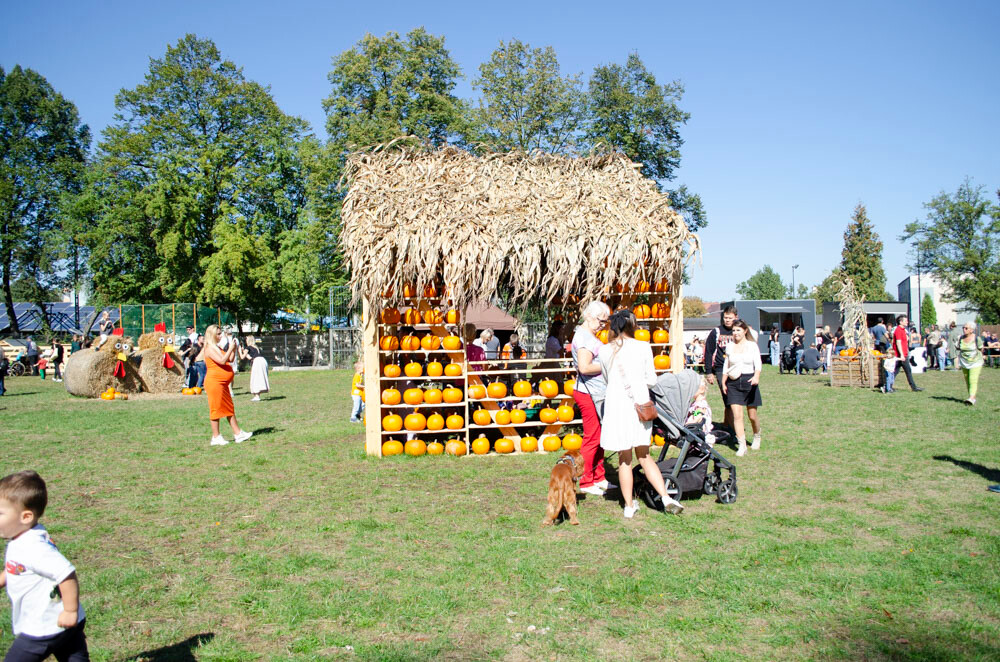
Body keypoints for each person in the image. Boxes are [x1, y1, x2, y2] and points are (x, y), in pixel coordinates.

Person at [598, 310, 683, 517]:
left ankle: (628, 506)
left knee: (624, 459)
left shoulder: (604, 350)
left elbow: (607, 379)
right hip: (639, 407)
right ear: (632, 326)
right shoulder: (644, 347)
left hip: (617, 407)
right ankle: (665, 497)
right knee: (644, 456)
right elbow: (651, 380)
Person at [0, 470, 90, 661]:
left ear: (25, 517)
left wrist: (69, 611)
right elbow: (17, 567)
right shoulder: (26, 536)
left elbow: (66, 574)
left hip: (46, 625)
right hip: (60, 621)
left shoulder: (33, 547)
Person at [570, 301, 611, 497]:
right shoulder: (584, 338)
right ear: (588, 316)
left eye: (605, 322)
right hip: (588, 393)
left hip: (597, 392)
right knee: (592, 437)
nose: (603, 325)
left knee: (601, 436)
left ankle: (599, 477)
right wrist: (607, 364)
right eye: (600, 321)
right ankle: (586, 480)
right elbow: (584, 367)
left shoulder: (590, 336)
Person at [202, 324, 252, 446]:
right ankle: (216, 437)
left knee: (229, 408)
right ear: (211, 335)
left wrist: (234, 348)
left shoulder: (217, 347)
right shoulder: (209, 348)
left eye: (221, 333)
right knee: (216, 409)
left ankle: (238, 433)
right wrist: (230, 347)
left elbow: (229, 359)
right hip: (214, 383)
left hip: (222, 384)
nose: (220, 336)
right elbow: (222, 361)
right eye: (218, 334)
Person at [721, 320, 762, 456]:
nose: (735, 333)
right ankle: (742, 444)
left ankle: (757, 435)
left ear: (745, 331)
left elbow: (758, 363)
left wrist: (756, 376)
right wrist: (723, 381)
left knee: (752, 415)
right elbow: (726, 364)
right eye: (733, 330)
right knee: (737, 416)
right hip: (733, 382)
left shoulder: (752, 346)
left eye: (738, 330)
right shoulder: (729, 346)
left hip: (749, 380)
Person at [704, 305, 738, 429]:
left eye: (730, 318)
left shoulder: (739, 331)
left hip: (736, 368)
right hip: (720, 368)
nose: (727, 320)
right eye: (725, 318)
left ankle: (728, 424)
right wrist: (708, 372)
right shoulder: (717, 332)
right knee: (728, 396)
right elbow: (708, 351)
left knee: (733, 399)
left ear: (736, 317)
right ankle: (732, 427)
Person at [891, 315, 923, 392]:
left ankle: (888, 385)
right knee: (907, 371)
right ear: (900, 322)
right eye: (905, 321)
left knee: (896, 371)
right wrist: (902, 354)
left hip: (903, 354)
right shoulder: (898, 330)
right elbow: (898, 343)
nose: (907, 322)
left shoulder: (903, 330)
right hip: (901, 355)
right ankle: (913, 387)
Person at [956, 322, 984, 405]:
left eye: (966, 328)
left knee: (973, 379)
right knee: (967, 379)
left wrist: (980, 356)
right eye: (963, 328)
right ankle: (972, 397)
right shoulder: (960, 338)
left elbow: (981, 348)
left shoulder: (976, 338)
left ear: (971, 330)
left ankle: (971, 398)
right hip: (964, 362)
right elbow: (958, 347)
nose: (964, 329)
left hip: (976, 362)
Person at [239, 336, 269, 401]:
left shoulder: (248, 347)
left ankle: (257, 396)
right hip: (262, 360)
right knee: (259, 377)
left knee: (255, 378)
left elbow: (242, 357)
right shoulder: (256, 348)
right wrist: (243, 351)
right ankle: (257, 395)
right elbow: (250, 357)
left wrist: (239, 350)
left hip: (257, 362)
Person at [685, 377, 714, 444]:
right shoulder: (695, 403)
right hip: (693, 433)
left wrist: (686, 425)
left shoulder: (701, 405)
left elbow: (698, 417)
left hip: (699, 435)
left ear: (702, 390)